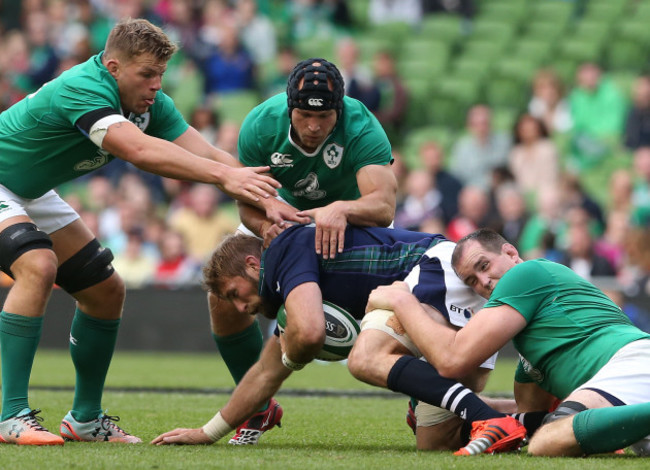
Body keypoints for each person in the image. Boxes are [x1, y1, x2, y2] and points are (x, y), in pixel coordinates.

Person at [0, 18, 290, 446]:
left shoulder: (150, 104)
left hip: (29, 191)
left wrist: (272, 200)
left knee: (106, 290)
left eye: (160, 75)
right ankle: (11, 416)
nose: (156, 85)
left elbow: (208, 153)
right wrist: (223, 179)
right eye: (146, 74)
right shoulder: (83, 86)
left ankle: (84, 419)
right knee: (37, 264)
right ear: (113, 67)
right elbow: (136, 149)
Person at [152, 225, 530, 451]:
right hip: (423, 291)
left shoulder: (283, 251)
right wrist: (208, 433)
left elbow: (310, 334)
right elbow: (266, 373)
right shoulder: (296, 300)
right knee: (435, 441)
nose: (238, 307)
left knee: (365, 358)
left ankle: (483, 417)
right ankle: (543, 418)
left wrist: (295, 353)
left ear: (253, 265)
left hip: (430, 268)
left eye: (234, 293)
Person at [208, 57, 397, 444]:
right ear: (289, 106)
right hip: (283, 218)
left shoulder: (361, 125)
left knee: (398, 307)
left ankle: (422, 404)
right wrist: (267, 223)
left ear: (339, 110)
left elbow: (383, 207)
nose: (313, 126)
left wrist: (341, 209)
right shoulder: (261, 125)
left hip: (355, 221)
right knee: (223, 296)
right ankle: (257, 408)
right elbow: (245, 201)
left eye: (325, 117)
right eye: (303, 116)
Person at [365, 228, 650, 456]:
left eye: (484, 265)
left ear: (511, 252)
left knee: (548, 440)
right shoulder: (534, 352)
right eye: (472, 281)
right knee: (546, 430)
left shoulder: (526, 273)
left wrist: (402, 300)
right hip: (629, 377)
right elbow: (524, 418)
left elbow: (453, 359)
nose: (484, 282)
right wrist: (443, 401)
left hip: (632, 363)